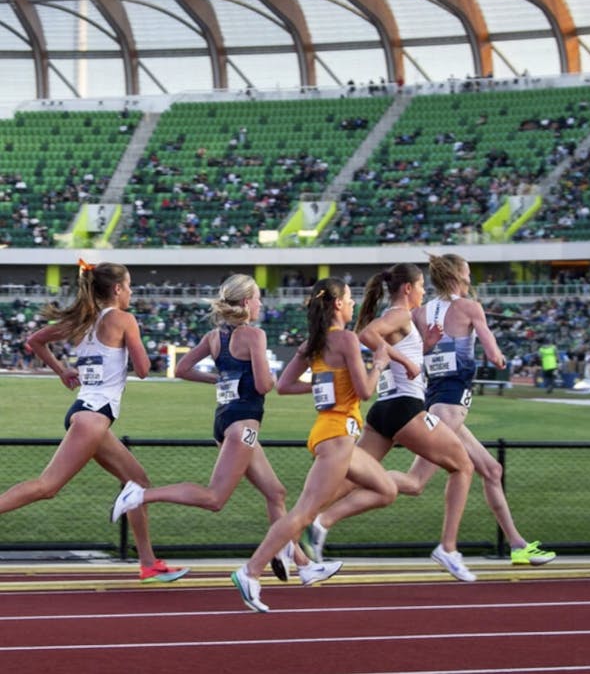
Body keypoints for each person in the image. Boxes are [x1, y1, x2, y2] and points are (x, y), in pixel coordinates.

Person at [110, 274, 341, 586]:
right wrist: (282, 381)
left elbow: (182, 369)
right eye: (258, 298)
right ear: (246, 302)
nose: (261, 303)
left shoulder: (214, 337)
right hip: (243, 424)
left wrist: (215, 379)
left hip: (227, 421)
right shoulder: (254, 336)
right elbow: (263, 385)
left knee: (276, 492)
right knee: (215, 498)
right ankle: (140, 495)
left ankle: (303, 565)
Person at [350, 253, 555, 566]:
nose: (471, 277)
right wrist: (498, 357)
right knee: (416, 482)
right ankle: (334, 501)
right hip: (449, 405)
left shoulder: (421, 312)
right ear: (459, 275)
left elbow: (418, 349)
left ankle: (516, 543)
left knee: (491, 470)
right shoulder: (469, 307)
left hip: (436, 399)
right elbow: (490, 346)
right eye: (469, 272)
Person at [10, 259, 187, 583]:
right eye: (130, 286)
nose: (132, 292)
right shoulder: (123, 319)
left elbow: (34, 340)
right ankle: (147, 561)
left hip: (89, 414)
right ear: (117, 289)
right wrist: (134, 340)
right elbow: (145, 370)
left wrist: (62, 370)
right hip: (92, 417)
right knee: (47, 487)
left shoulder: (83, 319)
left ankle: (148, 562)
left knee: (138, 483)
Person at [231, 276, 395, 612]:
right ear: (337, 304)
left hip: (336, 435)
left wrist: (327, 385)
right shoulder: (346, 340)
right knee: (303, 512)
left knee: (386, 489)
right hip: (336, 437)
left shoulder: (313, 344)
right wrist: (378, 364)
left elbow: (286, 386)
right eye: (350, 298)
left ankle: (300, 554)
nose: (352, 304)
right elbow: (365, 391)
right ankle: (250, 571)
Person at [306, 263, 478, 581]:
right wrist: (403, 360)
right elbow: (366, 335)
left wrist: (424, 345)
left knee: (352, 477)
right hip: (406, 409)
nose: (425, 291)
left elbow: (400, 356)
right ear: (408, 289)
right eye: (422, 286)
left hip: (383, 410)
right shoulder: (399, 313)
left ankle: (309, 522)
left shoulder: (402, 318)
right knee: (463, 467)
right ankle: (448, 548)